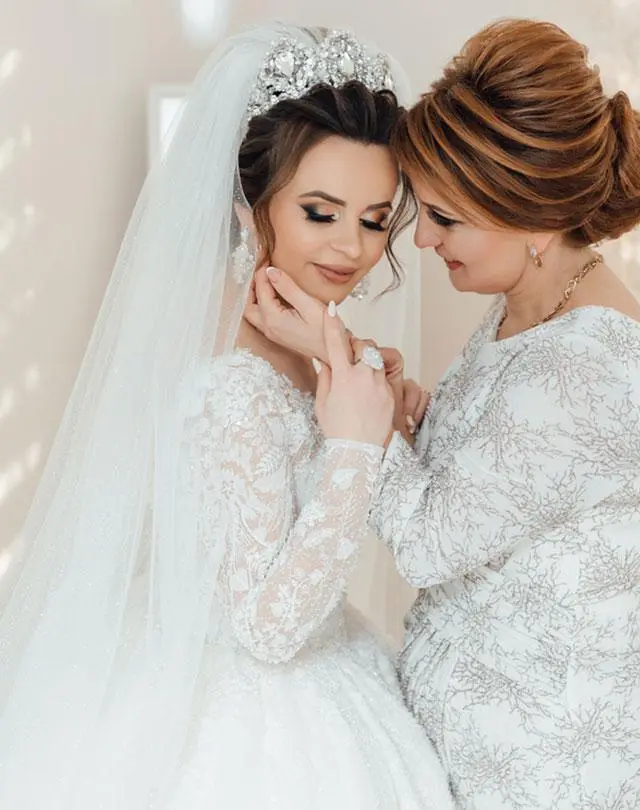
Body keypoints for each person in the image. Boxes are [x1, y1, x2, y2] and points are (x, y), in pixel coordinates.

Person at [0, 24, 455, 810]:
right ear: (249, 203)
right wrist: (353, 449)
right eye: (321, 212)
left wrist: (355, 376)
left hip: (332, 664)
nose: (352, 246)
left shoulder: (295, 328)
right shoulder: (232, 380)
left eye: (376, 219)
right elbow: (269, 629)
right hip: (254, 718)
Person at [249, 17, 640, 810]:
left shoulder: (589, 367)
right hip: (480, 752)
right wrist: (412, 416)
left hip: (552, 770)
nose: (421, 243)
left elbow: (426, 542)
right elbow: (498, 490)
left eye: (446, 219)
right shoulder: (535, 304)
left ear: (534, 217)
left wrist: (333, 360)